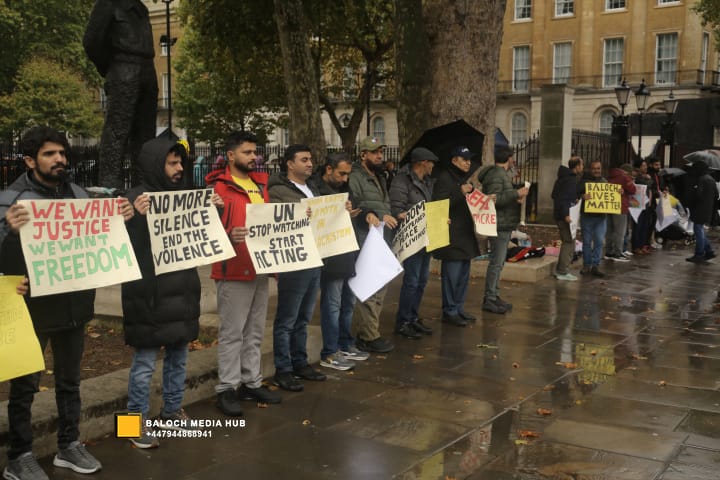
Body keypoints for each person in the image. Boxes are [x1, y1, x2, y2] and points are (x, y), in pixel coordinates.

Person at [0, 126, 134, 479]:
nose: (60, 159)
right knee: (25, 387)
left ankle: (69, 445)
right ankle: (19, 456)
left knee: (69, 381)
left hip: (74, 306)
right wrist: (8, 233)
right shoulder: (10, 200)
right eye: (49, 154)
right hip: (31, 311)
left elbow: (102, 240)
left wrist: (122, 219)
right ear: (30, 160)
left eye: (62, 152)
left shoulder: (79, 194)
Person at [120, 137, 222, 448]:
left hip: (182, 293)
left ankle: (171, 411)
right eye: (172, 163)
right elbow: (122, 250)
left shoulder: (186, 196)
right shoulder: (132, 199)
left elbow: (203, 239)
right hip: (148, 297)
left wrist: (214, 212)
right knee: (143, 365)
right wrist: (134, 219)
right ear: (155, 164)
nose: (179, 168)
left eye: (181, 163)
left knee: (179, 358)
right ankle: (129, 425)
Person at [205, 131, 281, 418]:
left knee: (255, 331)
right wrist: (228, 234)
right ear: (231, 155)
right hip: (233, 269)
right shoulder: (217, 189)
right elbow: (205, 232)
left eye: (255, 152)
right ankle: (227, 388)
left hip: (260, 267)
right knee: (232, 333)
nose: (254, 157)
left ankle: (251, 382)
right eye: (248, 152)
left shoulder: (260, 186)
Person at [268, 145, 326, 392]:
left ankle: (300, 361)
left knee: (303, 317)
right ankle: (283, 369)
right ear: (290, 164)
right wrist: (300, 213)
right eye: (304, 159)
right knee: (287, 318)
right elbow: (275, 218)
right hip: (294, 261)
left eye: (310, 159)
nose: (310, 163)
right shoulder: (278, 190)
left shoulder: (312, 188)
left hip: (314, 258)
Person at [83, 0, 158, 191]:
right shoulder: (108, 4)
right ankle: (110, 186)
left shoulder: (141, 9)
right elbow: (92, 41)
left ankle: (144, 187)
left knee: (146, 134)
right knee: (117, 131)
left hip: (148, 70)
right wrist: (111, 68)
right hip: (124, 67)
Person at [314, 153, 368, 371]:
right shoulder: (316, 188)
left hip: (346, 250)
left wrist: (352, 210)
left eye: (348, 174)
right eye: (341, 173)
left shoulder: (343, 188)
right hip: (331, 256)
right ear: (329, 169)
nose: (345, 178)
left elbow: (356, 202)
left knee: (348, 303)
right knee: (333, 305)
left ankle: (345, 343)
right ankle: (330, 350)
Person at [347, 136, 398, 353]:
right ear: (363, 155)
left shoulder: (378, 177)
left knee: (380, 285)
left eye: (381, 152)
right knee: (370, 287)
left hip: (380, 237)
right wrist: (377, 214)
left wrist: (387, 215)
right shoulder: (355, 177)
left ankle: (371, 331)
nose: (379, 156)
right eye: (374, 152)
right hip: (364, 237)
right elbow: (355, 203)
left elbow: (383, 203)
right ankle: (368, 335)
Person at [389, 147, 438, 338]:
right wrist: (417, 215)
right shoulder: (401, 181)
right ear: (423, 163)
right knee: (412, 280)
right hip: (411, 239)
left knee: (422, 280)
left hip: (425, 236)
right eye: (431, 162)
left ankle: (413, 317)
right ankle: (403, 321)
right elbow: (397, 210)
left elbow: (429, 206)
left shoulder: (427, 182)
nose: (433, 166)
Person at [477, 145, 529, 314]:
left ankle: (494, 295)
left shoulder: (500, 175)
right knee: (496, 263)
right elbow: (493, 199)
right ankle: (490, 298)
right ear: (509, 158)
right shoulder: (496, 175)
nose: (513, 161)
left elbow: (500, 197)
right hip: (499, 225)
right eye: (512, 158)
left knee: (498, 263)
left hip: (504, 223)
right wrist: (516, 193)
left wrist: (515, 198)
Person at [432, 146, 480, 326]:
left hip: (464, 233)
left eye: (469, 159)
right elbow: (439, 205)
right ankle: (450, 310)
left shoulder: (462, 179)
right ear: (454, 160)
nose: (468, 162)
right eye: (464, 159)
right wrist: (461, 193)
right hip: (451, 235)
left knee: (463, 275)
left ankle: (459, 307)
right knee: (452, 275)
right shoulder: (445, 178)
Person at [551, 156, 583, 281]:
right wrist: (566, 215)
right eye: (582, 165)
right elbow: (564, 198)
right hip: (565, 217)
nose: (583, 167)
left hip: (560, 214)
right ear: (577, 166)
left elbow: (555, 195)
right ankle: (562, 271)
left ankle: (562, 270)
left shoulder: (563, 178)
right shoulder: (570, 180)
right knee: (569, 242)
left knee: (569, 241)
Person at [576, 160, 608, 277]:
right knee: (587, 242)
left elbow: (611, 196)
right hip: (587, 216)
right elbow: (575, 194)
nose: (596, 170)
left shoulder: (604, 181)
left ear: (601, 169)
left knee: (599, 241)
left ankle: (595, 265)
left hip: (601, 217)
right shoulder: (583, 182)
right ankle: (586, 265)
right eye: (594, 168)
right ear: (590, 169)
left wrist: (619, 192)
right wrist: (582, 196)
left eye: (598, 168)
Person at [685, 160, 718, 263]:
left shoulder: (702, 179)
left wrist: (693, 193)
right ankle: (709, 251)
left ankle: (699, 254)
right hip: (707, 209)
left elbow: (698, 195)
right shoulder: (711, 179)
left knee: (698, 230)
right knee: (700, 230)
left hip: (699, 209)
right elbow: (716, 195)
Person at [605, 163, 636, 262]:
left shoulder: (609, 176)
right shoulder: (625, 177)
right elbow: (632, 190)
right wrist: (631, 181)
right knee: (620, 232)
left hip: (609, 206)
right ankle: (617, 253)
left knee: (610, 230)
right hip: (621, 207)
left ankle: (609, 252)